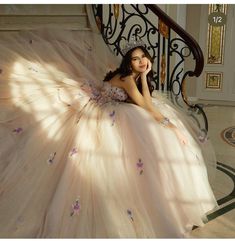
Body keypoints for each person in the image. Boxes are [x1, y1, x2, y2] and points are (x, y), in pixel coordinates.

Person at [0, 28, 218, 238]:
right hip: (104, 109)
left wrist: (145, 79)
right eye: (135, 59)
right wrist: (166, 122)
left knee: (153, 126)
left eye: (143, 56)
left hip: (113, 104)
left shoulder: (131, 76)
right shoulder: (126, 78)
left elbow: (146, 102)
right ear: (128, 63)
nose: (141, 61)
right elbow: (145, 105)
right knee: (150, 127)